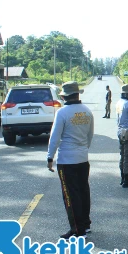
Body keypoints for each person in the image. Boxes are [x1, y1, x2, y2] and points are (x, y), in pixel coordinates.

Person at [47, 81, 94, 239]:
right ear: (77, 93)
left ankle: (77, 230)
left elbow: (55, 137)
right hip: (82, 158)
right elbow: (90, 136)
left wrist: (50, 156)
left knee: (70, 195)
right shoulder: (87, 111)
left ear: (63, 96)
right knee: (83, 191)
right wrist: (83, 150)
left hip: (67, 160)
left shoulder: (62, 113)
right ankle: (85, 225)